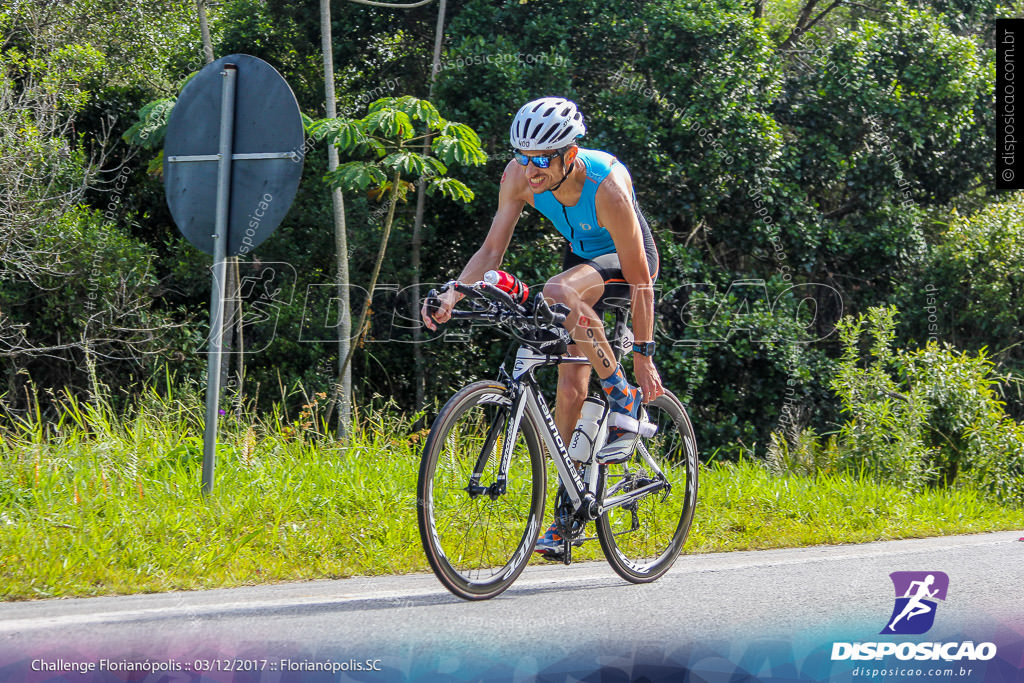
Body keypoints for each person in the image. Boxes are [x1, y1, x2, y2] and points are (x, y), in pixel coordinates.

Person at [420, 97, 664, 558]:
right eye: (521, 156)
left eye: (540, 160)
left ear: (569, 155)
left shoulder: (606, 186)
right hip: (581, 261)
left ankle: (622, 394)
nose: (530, 169)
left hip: (630, 264)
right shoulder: (517, 176)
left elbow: (640, 281)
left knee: (555, 291)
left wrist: (642, 355)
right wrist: (453, 293)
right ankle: (569, 510)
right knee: (569, 381)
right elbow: (491, 252)